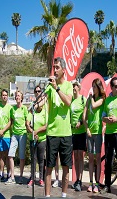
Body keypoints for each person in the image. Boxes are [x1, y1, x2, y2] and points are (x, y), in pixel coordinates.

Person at [44, 57, 73, 198]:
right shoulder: (49, 86)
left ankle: (64, 195)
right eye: (53, 67)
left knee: (66, 168)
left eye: (57, 67)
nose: (54, 70)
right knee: (49, 167)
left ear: (63, 70)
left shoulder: (68, 86)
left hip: (66, 133)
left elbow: (68, 102)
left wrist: (57, 88)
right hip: (52, 133)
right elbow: (42, 102)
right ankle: (47, 196)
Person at [83, 78, 105, 193]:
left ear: (98, 87)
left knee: (97, 159)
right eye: (92, 86)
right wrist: (87, 129)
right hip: (90, 133)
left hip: (98, 132)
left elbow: (95, 106)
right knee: (90, 159)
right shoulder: (88, 100)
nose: (93, 88)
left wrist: (91, 98)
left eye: (95, 86)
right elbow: (84, 116)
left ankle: (97, 183)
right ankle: (91, 183)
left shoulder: (101, 99)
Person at [26, 85, 47, 187]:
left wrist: (37, 132)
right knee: (33, 159)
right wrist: (33, 133)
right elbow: (27, 123)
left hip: (42, 139)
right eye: (36, 91)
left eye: (39, 91)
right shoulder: (32, 106)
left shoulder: (45, 108)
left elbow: (47, 125)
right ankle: (32, 178)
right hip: (32, 138)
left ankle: (41, 179)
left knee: (41, 160)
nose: (38, 93)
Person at [6, 90, 28, 185]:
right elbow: (11, 122)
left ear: (21, 98)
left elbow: (27, 122)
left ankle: (21, 176)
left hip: (23, 134)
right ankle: (12, 177)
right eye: (16, 96)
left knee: (22, 156)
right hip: (14, 134)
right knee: (10, 155)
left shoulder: (24, 109)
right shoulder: (12, 109)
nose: (17, 97)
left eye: (18, 96)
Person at [70, 80, 86, 192]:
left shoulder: (82, 99)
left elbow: (87, 114)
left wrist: (81, 121)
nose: (74, 88)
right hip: (72, 132)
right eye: (73, 86)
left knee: (81, 155)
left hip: (82, 131)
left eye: (76, 86)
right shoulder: (71, 100)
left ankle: (80, 180)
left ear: (79, 88)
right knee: (75, 156)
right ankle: (76, 179)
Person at [0, 89, 12, 183]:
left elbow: (10, 121)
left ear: (7, 96)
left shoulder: (9, 107)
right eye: (3, 95)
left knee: (8, 155)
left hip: (7, 135)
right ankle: (1, 174)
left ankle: (9, 175)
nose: (4, 96)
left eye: (6, 95)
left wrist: (3, 130)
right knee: (1, 156)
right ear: (1, 96)